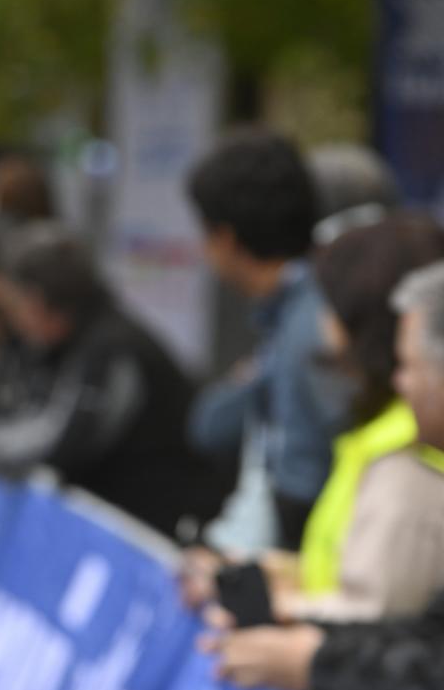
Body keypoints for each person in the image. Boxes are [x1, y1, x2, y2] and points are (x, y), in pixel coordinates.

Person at [205, 260, 444, 690]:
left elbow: (421, 652)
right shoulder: (373, 439)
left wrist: (314, 662)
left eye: (411, 366)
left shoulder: (407, 463)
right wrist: (299, 624)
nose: (401, 382)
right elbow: (428, 630)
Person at [181, 216, 444, 620]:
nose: (316, 320)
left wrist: (275, 610)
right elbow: (356, 571)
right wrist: (278, 575)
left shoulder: (408, 451)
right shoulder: (372, 430)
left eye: (326, 301)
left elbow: (375, 618)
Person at [0, 222, 235, 539]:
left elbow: (60, 439)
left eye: (15, 305)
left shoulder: (113, 349)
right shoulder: (69, 342)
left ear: (36, 301)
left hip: (168, 527)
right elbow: (33, 410)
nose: (16, 321)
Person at [186, 128, 342, 550]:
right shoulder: (303, 309)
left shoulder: (308, 325)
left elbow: (302, 475)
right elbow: (210, 424)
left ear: (225, 238)